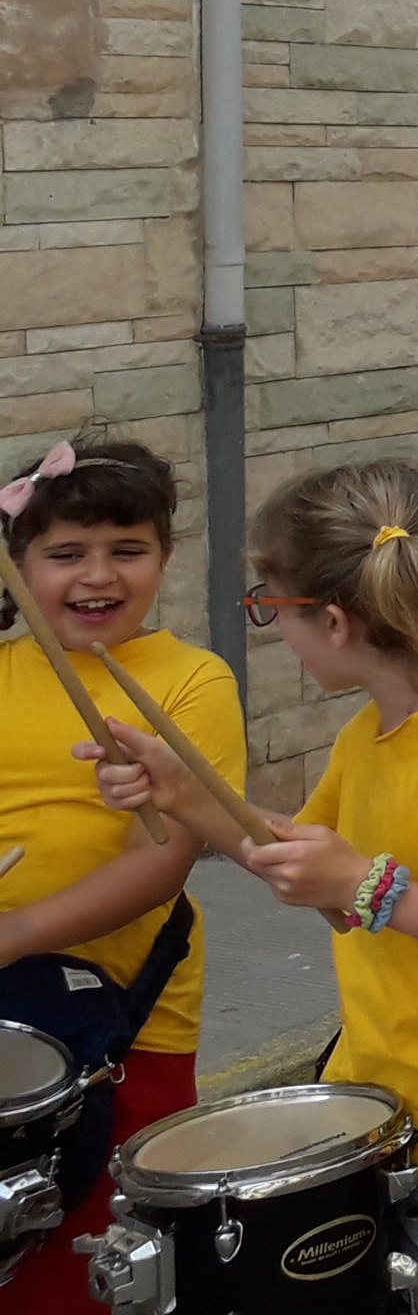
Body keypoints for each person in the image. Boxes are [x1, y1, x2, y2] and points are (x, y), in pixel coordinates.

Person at [105, 458, 418, 1312]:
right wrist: (183, 793)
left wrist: (374, 884)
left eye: (270, 609)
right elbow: (305, 869)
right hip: (389, 1106)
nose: (270, 629)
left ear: (332, 620)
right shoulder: (373, 733)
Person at [0, 441, 241, 1315]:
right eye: (64, 554)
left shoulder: (191, 681)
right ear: (18, 567)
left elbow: (162, 860)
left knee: (106, 1270)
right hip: (8, 1016)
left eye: (126, 550)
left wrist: (15, 934)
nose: (96, 576)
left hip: (129, 1027)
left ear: (165, 558)